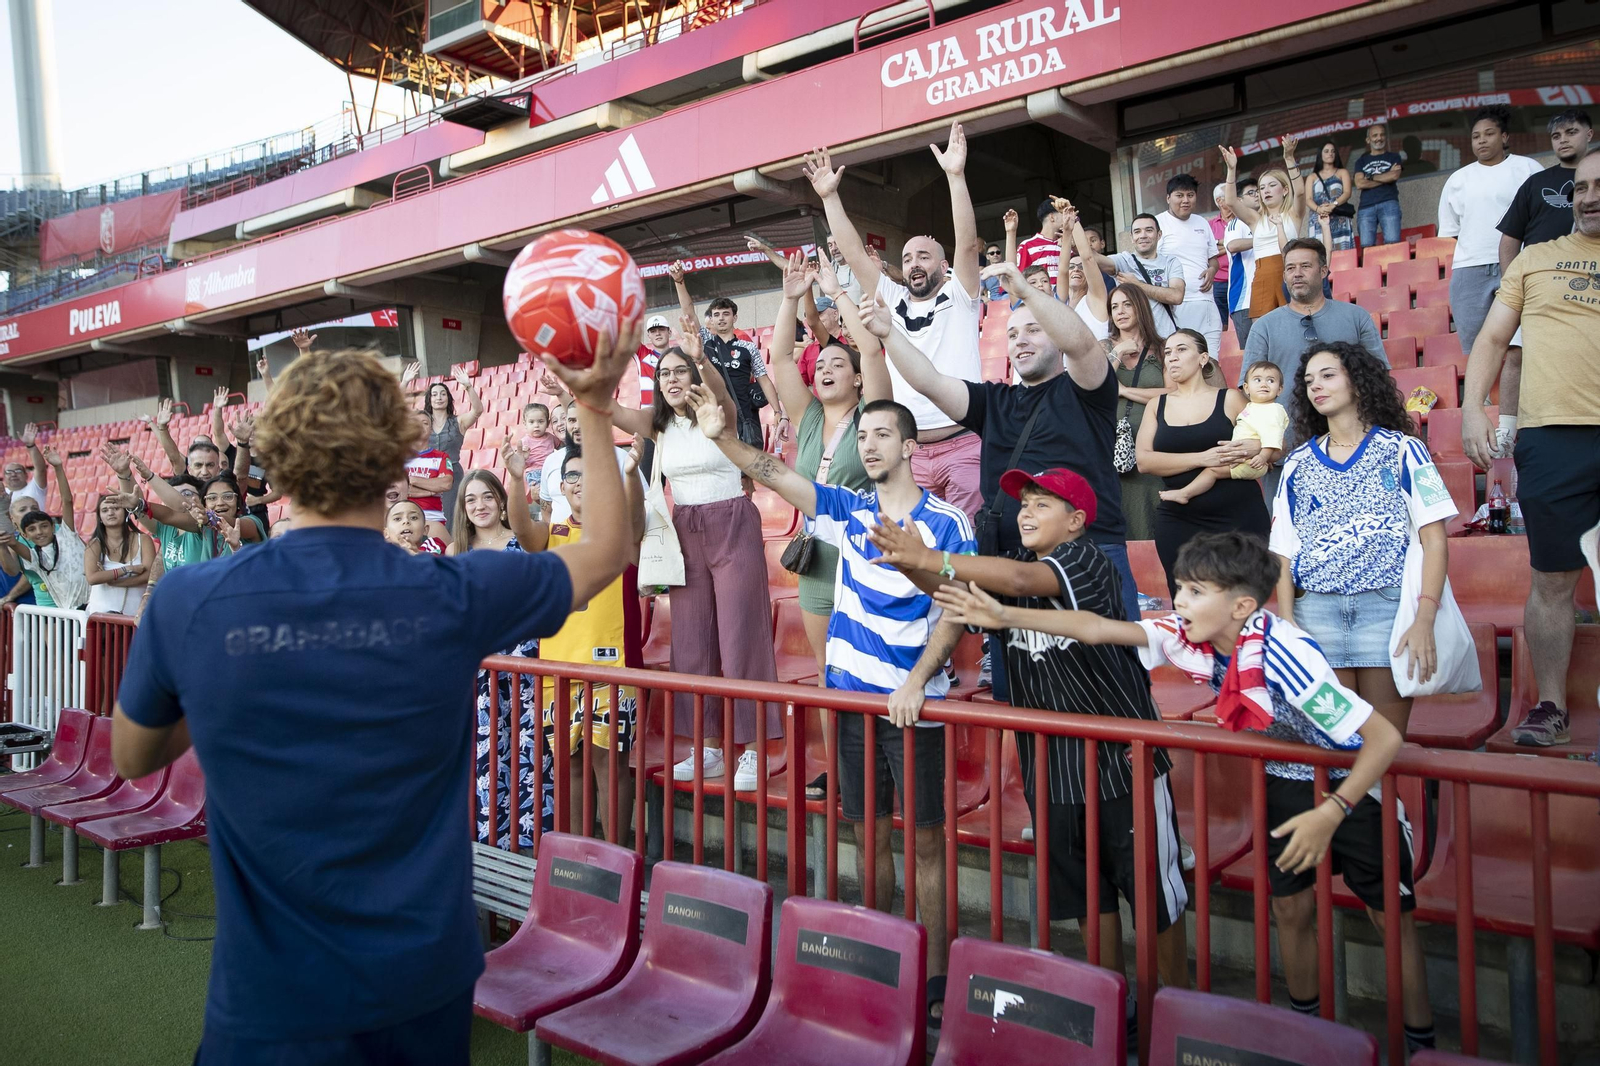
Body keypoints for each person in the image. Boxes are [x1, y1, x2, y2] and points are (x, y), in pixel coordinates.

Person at [111, 328, 637, 1066]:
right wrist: (590, 402)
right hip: (422, 982)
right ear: (397, 458)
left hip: (270, 998)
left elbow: (132, 754)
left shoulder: (192, 599)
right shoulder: (455, 591)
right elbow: (609, 548)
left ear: (274, 456)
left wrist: (238, 686)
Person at [936, 530, 1434, 1052]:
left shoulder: (1285, 652)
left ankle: (1422, 1046)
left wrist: (1333, 811)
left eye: (1196, 592)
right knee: (1290, 909)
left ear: (1241, 605)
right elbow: (1098, 628)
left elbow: (1383, 738)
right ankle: (1305, 1036)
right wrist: (1007, 616)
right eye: (1180, 588)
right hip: (1285, 783)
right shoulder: (1193, 634)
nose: (1180, 601)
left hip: (1352, 787)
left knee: (1390, 920)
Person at [693, 387, 971, 1017]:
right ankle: (879, 958)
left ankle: (940, 976)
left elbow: (956, 609)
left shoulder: (947, 523)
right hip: (850, 706)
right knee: (867, 836)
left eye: (879, 436)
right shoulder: (845, 509)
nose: (867, 445)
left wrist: (915, 681)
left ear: (908, 446)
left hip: (914, 707)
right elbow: (772, 471)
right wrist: (720, 437)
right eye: (861, 436)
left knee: (927, 843)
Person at [870, 468, 1189, 992]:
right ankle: (1111, 1009)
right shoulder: (1014, 566)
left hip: (1121, 762)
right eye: (1024, 503)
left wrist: (928, 556)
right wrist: (910, 564)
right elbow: (953, 591)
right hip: (1056, 766)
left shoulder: (1087, 560)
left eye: (1043, 505)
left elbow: (1018, 585)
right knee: (1092, 896)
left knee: (1156, 899)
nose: (1026, 512)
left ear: (1077, 520)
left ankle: (1172, 1014)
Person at [863, 259, 1137, 705]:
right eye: (1011, 334)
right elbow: (930, 382)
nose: (1020, 340)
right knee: (1023, 704)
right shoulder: (994, 400)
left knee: (1107, 695)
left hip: (1087, 560)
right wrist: (889, 333)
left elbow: (1084, 345)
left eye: (1033, 330)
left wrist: (1027, 294)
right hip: (1010, 569)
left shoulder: (1086, 389)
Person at [1462, 151, 1600, 747]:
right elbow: (1494, 337)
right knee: (1551, 580)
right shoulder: (1535, 260)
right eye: (1583, 187)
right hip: (1552, 436)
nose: (1591, 195)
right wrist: (1473, 408)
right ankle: (1549, 705)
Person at [609, 317, 782, 790]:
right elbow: (610, 410)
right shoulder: (657, 424)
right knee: (691, 640)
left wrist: (701, 357)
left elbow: (721, 390)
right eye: (664, 373)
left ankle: (752, 751)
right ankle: (707, 747)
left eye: (679, 371)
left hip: (731, 520)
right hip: (685, 527)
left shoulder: (717, 407)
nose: (671, 379)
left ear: (694, 375)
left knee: (741, 636)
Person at [804, 123, 985, 519]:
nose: (914, 264)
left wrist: (955, 176)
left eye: (923, 256)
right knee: (915, 554)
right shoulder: (894, 298)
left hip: (964, 445)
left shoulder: (962, 295)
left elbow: (968, 243)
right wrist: (830, 198)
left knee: (967, 551)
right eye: (906, 259)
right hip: (911, 451)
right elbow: (853, 255)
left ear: (943, 264)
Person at [1273, 342, 1455, 736]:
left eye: (1327, 375)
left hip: (1386, 612)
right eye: (1308, 381)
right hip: (1315, 616)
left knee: (1385, 747)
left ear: (1357, 383)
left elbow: (1434, 540)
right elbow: (1283, 555)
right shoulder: (1297, 463)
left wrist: (1425, 618)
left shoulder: (1405, 451)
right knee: (1338, 748)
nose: (1315, 387)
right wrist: (1288, 624)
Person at [767, 252, 892, 796]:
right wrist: (791, 297)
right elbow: (776, 360)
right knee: (827, 671)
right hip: (818, 561)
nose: (825, 369)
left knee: (872, 666)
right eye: (820, 365)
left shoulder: (875, 416)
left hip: (866, 556)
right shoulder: (810, 417)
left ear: (860, 380)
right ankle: (845, 773)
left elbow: (869, 345)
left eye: (837, 365)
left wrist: (835, 290)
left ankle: (880, 769)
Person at [541, 443, 647, 838]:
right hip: (559, 672)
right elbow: (519, 528)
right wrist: (517, 480)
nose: (581, 483)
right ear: (562, 487)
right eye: (572, 476)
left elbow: (636, 517)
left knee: (611, 764)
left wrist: (632, 474)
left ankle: (616, 858)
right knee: (569, 767)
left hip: (613, 668)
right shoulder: (550, 533)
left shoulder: (619, 532)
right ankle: (574, 856)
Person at [1137, 329, 1270, 597]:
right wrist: (1201, 458)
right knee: (1185, 600)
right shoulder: (1156, 404)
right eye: (1168, 353)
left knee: (1241, 599)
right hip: (1178, 515)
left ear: (1203, 358)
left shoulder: (1230, 398)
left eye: (1181, 350)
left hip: (1238, 512)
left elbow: (1274, 444)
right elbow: (1144, 461)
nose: (1172, 358)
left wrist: (1257, 445)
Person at [1494, 109, 1594, 457]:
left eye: (1571, 132)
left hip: (1588, 286)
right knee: (1516, 353)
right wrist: (1514, 287)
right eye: (1556, 135)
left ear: (1589, 135)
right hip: (1537, 286)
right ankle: (1506, 432)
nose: (1563, 139)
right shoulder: (1537, 182)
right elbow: (1509, 240)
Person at [1241, 238, 1386, 441]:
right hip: (1284, 448)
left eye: (1306, 266)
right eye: (1290, 268)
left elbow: (1378, 376)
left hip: (1353, 444)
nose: (1297, 274)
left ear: (1323, 271)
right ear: (1284, 276)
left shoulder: (1356, 317)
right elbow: (1249, 390)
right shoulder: (1263, 327)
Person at [1438, 105, 1543, 357]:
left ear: (1504, 137)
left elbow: (1542, 218)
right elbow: (1453, 229)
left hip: (1518, 264)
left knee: (1521, 346)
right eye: (1476, 136)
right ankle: (1480, 397)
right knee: (1476, 347)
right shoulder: (1458, 179)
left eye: (1489, 133)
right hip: (1470, 267)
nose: (1482, 140)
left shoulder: (1528, 169)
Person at [667, 263, 784, 448]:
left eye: (726, 314)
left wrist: (778, 412)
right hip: (714, 415)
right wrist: (679, 282)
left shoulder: (747, 347)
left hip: (745, 416)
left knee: (747, 474)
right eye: (716, 315)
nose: (721, 318)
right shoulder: (705, 341)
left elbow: (764, 379)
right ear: (711, 319)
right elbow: (689, 312)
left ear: (734, 317)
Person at [1159, 360, 1287, 506]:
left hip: (1251, 461)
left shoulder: (1273, 410)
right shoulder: (1251, 407)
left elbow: (1274, 436)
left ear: (1280, 389)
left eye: (1270, 381)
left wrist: (1263, 456)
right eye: (1257, 380)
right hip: (1246, 459)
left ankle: (1184, 493)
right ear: (1246, 387)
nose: (1264, 384)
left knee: (1212, 471)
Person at [1105, 283, 1169, 541]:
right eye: (1114, 307)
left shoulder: (1163, 348)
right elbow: (1097, 386)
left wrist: (1124, 391)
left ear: (1140, 307)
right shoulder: (1103, 346)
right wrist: (1118, 352)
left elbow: (1172, 394)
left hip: (1153, 445)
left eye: (1127, 304)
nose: (1120, 311)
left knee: (1151, 517)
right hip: (1111, 445)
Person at [1220, 138, 1310, 318]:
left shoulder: (1293, 214)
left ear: (1285, 190)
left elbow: (1300, 192)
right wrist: (1231, 170)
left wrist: (1289, 158)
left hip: (1289, 273)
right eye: (1262, 188)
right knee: (1261, 332)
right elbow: (1230, 201)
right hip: (1262, 276)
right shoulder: (1256, 219)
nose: (1266, 190)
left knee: (1294, 325)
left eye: (1272, 185)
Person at [537, 389, 646, 525]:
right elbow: (546, 509)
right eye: (571, 420)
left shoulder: (622, 458)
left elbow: (643, 505)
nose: (577, 426)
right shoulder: (551, 461)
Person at [0, 445, 87, 610]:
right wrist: (3, 546)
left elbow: (67, 501)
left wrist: (58, 467)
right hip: (46, 606)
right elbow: (12, 571)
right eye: (23, 509)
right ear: (12, 519)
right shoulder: (17, 543)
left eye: (34, 508)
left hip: (80, 603)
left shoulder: (62, 532)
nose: (29, 513)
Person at [402, 361, 483, 522]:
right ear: (429, 399)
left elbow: (478, 410)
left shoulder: (458, 422)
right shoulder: (421, 422)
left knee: (453, 517)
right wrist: (405, 382)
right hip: (427, 474)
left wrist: (468, 386)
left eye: (443, 394)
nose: (439, 397)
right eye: (434, 394)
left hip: (453, 475)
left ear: (448, 398)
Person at [1156, 174, 1224, 354]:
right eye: (1179, 195)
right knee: (1183, 362)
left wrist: (1212, 270)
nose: (1185, 200)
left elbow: (1213, 259)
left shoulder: (1202, 222)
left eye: (1190, 195)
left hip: (1206, 303)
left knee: (1211, 360)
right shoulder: (1158, 224)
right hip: (1176, 307)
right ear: (1168, 198)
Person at [1090, 213, 1183, 333]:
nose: (1143, 236)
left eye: (1149, 230)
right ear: (1132, 237)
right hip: (1135, 343)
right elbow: (1090, 258)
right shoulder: (1123, 260)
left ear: (1159, 235)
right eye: (1137, 232)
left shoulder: (1171, 262)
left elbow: (1176, 296)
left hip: (1166, 340)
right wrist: (1070, 229)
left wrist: (1138, 285)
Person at [85, 494, 155, 616]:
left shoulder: (143, 539)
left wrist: (114, 581)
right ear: (100, 517)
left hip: (135, 616)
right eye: (105, 510)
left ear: (126, 512)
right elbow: (92, 578)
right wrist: (126, 569)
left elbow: (149, 576)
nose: (110, 513)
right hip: (100, 618)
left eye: (116, 508)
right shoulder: (94, 544)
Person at [1351, 123, 1404, 247]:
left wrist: (1370, 177)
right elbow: (1359, 183)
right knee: (1366, 246)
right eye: (1375, 135)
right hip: (1366, 207)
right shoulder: (1361, 161)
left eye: (1382, 135)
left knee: (1393, 243)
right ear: (1368, 140)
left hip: (1389, 203)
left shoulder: (1394, 157)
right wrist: (1385, 176)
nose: (1379, 138)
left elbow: (1394, 176)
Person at [1221, 178, 1260, 344]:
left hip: (1267, 295)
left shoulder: (1268, 221)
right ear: (1239, 200)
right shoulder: (1236, 224)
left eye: (1257, 191)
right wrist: (1262, 240)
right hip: (1245, 300)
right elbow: (1232, 245)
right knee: (1253, 355)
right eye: (1250, 193)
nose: (1257, 195)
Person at [1305, 141, 1354, 251]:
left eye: (1333, 151)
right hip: (1319, 219)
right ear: (1320, 154)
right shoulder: (1312, 177)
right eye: (1326, 151)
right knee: (1320, 254)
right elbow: (1308, 199)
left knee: (1343, 252)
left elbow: (1347, 193)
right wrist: (1318, 209)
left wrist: (1333, 205)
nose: (1330, 154)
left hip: (1339, 218)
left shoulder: (1342, 172)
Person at [1016, 197, 1068, 289]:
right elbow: (1020, 278)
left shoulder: (1069, 244)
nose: (1068, 218)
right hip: (1041, 299)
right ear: (1052, 217)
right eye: (1063, 213)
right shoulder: (1027, 245)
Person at [1208, 188, 1233, 332]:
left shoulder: (1243, 220)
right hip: (1219, 282)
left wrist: (1220, 243)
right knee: (1221, 323)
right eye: (1230, 196)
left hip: (1240, 280)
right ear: (1219, 201)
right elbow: (1207, 252)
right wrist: (1231, 244)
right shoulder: (1210, 225)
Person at [4, 422, 49, 502]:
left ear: (26, 475)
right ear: (4, 477)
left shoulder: (35, 488)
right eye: (9, 472)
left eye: (18, 471)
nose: (13, 474)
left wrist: (30, 445)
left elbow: (41, 470)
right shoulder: (2, 495)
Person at [636, 313, 673, 407]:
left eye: (661, 329)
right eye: (653, 331)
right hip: (649, 416)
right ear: (648, 336)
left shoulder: (680, 356)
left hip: (675, 413)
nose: (657, 333)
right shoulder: (643, 354)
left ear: (670, 332)